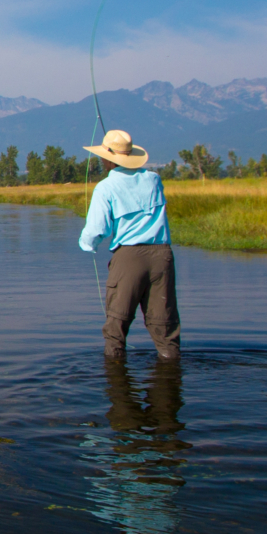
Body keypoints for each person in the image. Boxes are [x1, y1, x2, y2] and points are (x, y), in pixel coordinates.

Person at [79, 128, 180, 360]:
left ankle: (116, 384)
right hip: (162, 257)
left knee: (116, 328)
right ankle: (171, 379)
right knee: (165, 326)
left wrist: (87, 244)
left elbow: (97, 230)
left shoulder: (105, 187)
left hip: (129, 259)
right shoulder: (154, 179)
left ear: (108, 158)